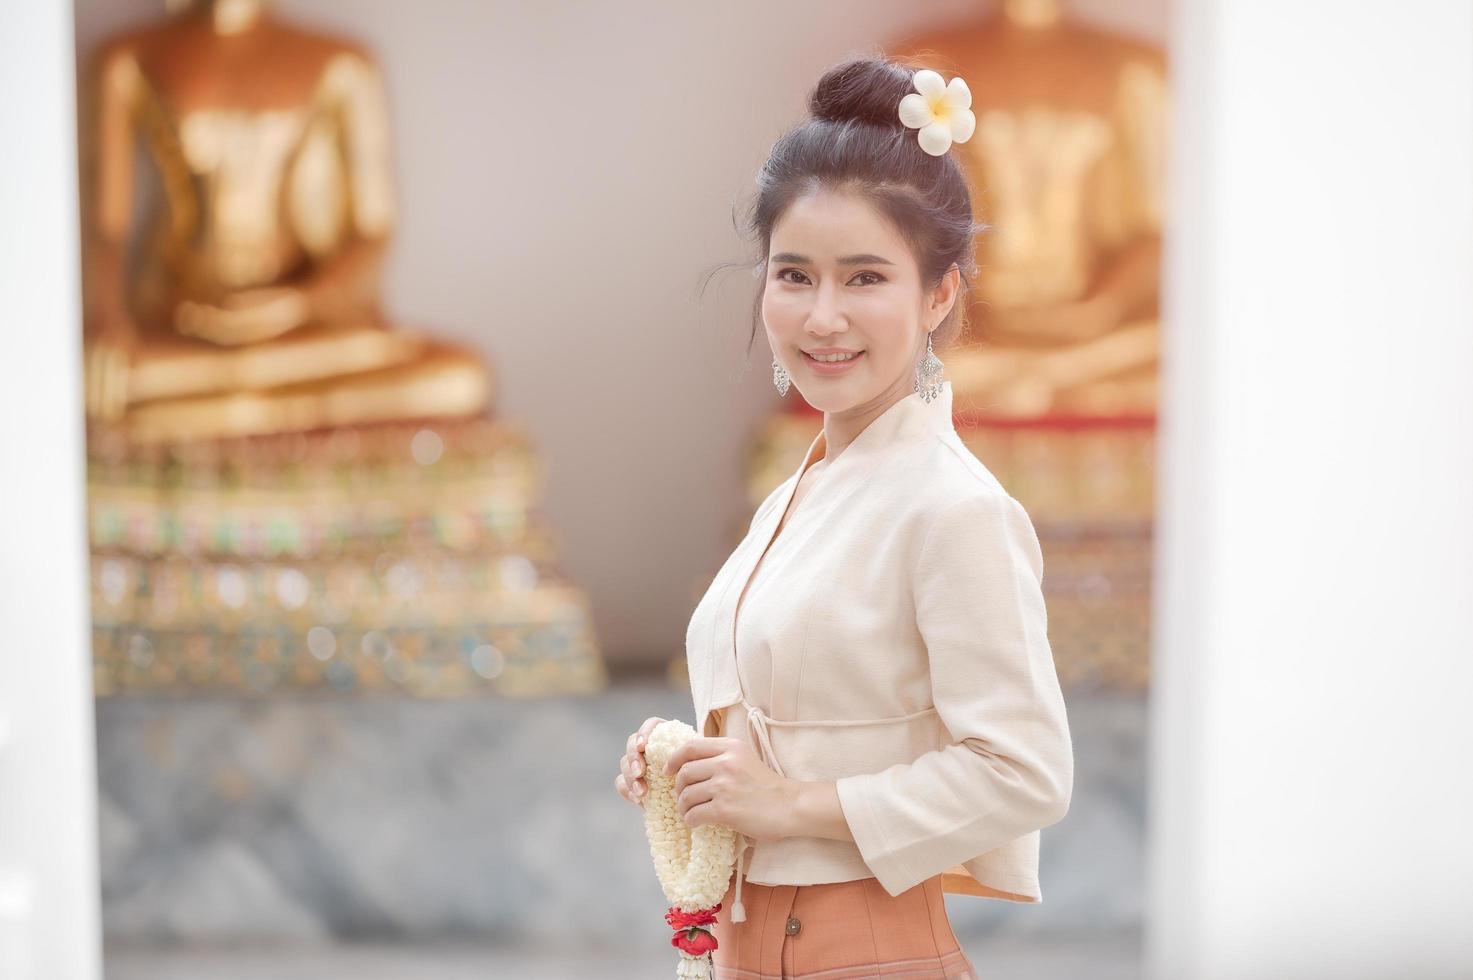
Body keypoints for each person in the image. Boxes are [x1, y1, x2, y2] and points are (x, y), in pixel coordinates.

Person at [615, 55, 1073, 979]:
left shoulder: (953, 509)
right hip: (739, 950)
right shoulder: (803, 491)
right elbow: (798, 722)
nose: (823, 316)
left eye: (865, 278)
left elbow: (1025, 770)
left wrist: (787, 802)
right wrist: (687, 764)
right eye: (794, 275)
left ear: (938, 294)